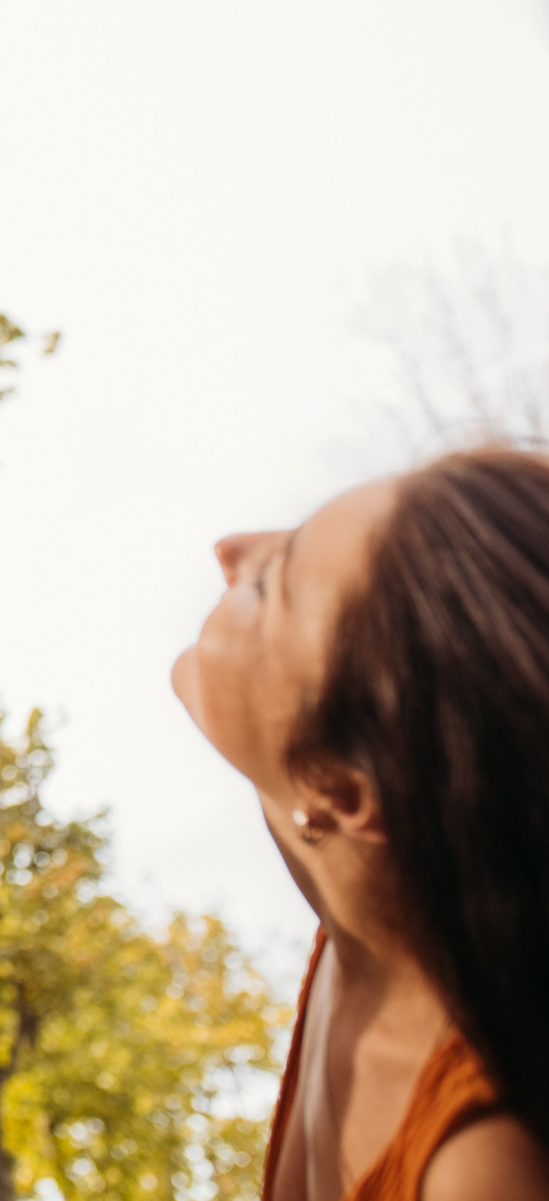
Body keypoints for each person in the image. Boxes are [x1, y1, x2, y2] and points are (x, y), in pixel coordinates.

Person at [172, 450, 549, 1200]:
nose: (234, 546)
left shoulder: (483, 1164)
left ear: (340, 786)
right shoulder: (380, 912)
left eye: (266, 587)